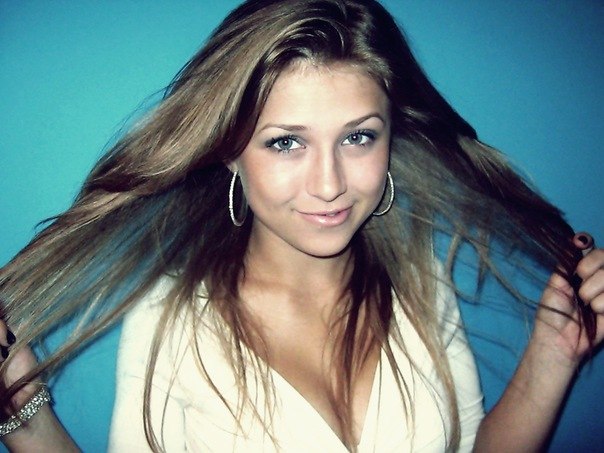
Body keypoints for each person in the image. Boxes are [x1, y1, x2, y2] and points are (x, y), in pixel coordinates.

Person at [1, 0, 602, 451]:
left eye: (358, 137)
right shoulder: (172, 317)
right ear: (229, 149)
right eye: (286, 142)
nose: (329, 184)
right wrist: (22, 411)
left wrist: (554, 353)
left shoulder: (421, 284)